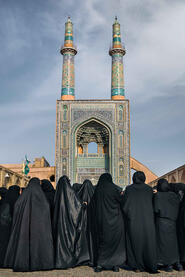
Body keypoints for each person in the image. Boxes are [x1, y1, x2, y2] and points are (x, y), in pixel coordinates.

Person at [4, 178, 54, 272]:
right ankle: (41, 262)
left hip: (24, 229)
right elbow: (46, 210)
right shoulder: (42, 198)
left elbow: (16, 208)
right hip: (40, 229)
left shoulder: (23, 197)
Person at [122, 171, 158, 273]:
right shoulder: (148, 189)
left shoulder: (129, 189)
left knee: (135, 242)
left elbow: (125, 205)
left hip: (133, 220)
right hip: (147, 220)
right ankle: (149, 264)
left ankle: (136, 266)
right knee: (148, 242)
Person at [52, 175, 89, 269]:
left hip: (59, 223)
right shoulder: (70, 192)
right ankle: (67, 260)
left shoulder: (57, 193)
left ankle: (59, 260)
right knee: (68, 240)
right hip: (67, 224)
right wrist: (83, 204)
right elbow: (76, 207)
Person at [92, 173, 126, 272]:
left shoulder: (97, 189)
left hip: (101, 220)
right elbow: (121, 201)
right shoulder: (114, 188)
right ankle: (114, 264)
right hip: (115, 219)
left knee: (103, 241)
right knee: (114, 241)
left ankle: (100, 264)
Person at [154, 179, 182, 272]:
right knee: (173, 243)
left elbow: (156, 209)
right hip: (173, 222)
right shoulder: (174, 195)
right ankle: (176, 263)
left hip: (161, 222)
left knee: (163, 244)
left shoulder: (158, 195)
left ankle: (167, 264)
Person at [75, 179, 95, 266]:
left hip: (82, 222)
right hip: (92, 221)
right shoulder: (95, 196)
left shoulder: (78, 197)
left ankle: (82, 257)